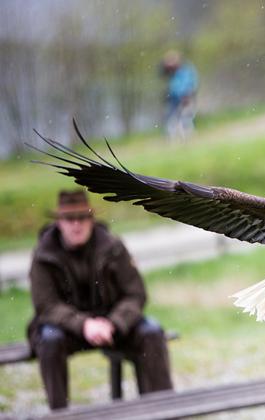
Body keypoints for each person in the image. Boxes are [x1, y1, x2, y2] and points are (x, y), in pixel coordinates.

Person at [27, 190, 173, 410]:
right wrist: (83, 324)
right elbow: (46, 305)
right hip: (66, 328)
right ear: (59, 222)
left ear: (91, 219)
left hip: (111, 324)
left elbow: (136, 293)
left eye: (82, 217)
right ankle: (60, 413)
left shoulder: (112, 246)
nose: (76, 224)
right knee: (49, 340)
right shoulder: (43, 253)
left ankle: (164, 410)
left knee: (151, 332)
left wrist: (114, 323)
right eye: (69, 218)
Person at [160, 50, 199, 140]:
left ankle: (188, 138)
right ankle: (173, 140)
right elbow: (161, 72)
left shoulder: (186, 70)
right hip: (173, 100)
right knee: (171, 120)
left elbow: (191, 83)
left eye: (172, 61)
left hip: (186, 98)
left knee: (185, 119)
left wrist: (187, 95)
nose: (170, 65)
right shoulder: (171, 72)